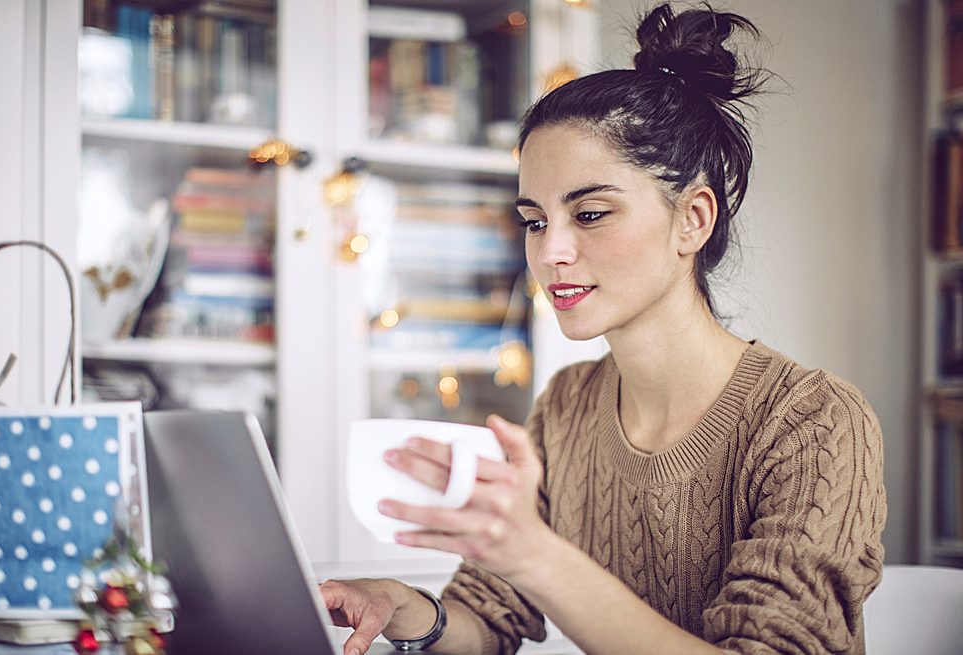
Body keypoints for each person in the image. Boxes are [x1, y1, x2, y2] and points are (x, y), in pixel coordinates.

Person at [320, 3, 887, 654]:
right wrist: (399, 605)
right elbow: (486, 617)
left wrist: (533, 554)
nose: (550, 251)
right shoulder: (566, 409)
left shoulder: (813, 421)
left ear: (693, 220)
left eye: (589, 213)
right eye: (535, 220)